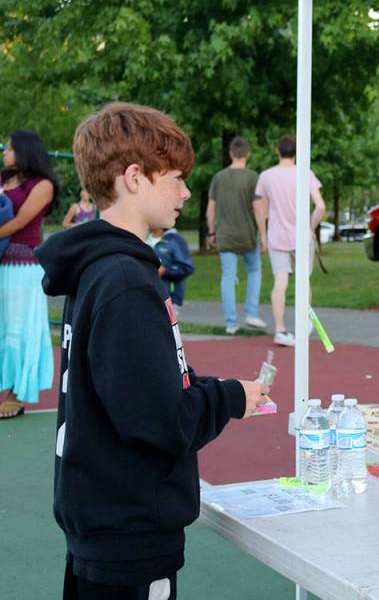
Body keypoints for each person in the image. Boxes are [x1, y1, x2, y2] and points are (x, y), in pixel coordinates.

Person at [35, 102, 267, 600]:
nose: (186, 191)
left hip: (105, 518)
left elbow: (140, 383)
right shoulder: (124, 282)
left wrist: (215, 389)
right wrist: (227, 398)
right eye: (177, 178)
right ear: (135, 177)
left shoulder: (101, 271)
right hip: (129, 529)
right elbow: (161, 420)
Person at [0, 130, 59, 419]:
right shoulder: (3, 179)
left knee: (19, 328)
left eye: (9, 148)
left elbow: (21, 221)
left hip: (23, 267)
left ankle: (17, 392)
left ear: (24, 151)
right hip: (1, 263)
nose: (4, 153)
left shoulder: (43, 185)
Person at [255, 134, 326, 346]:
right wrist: (310, 228)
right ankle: (304, 323)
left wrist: (262, 235)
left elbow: (260, 207)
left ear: (278, 151)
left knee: (280, 282)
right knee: (304, 281)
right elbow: (320, 207)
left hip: (276, 235)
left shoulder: (266, 176)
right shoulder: (305, 173)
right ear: (297, 153)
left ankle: (280, 330)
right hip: (301, 236)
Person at [207, 136, 266, 335]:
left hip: (225, 236)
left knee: (228, 277)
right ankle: (251, 313)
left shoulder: (218, 177)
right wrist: (264, 236)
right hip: (248, 236)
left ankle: (231, 323)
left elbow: (210, 209)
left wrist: (211, 232)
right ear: (248, 154)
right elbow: (258, 209)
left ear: (230, 153)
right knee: (255, 270)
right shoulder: (253, 177)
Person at [149, 227, 193, 310]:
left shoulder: (175, 240)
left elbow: (186, 268)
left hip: (169, 298)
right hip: (143, 296)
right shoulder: (140, 237)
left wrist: (165, 271)